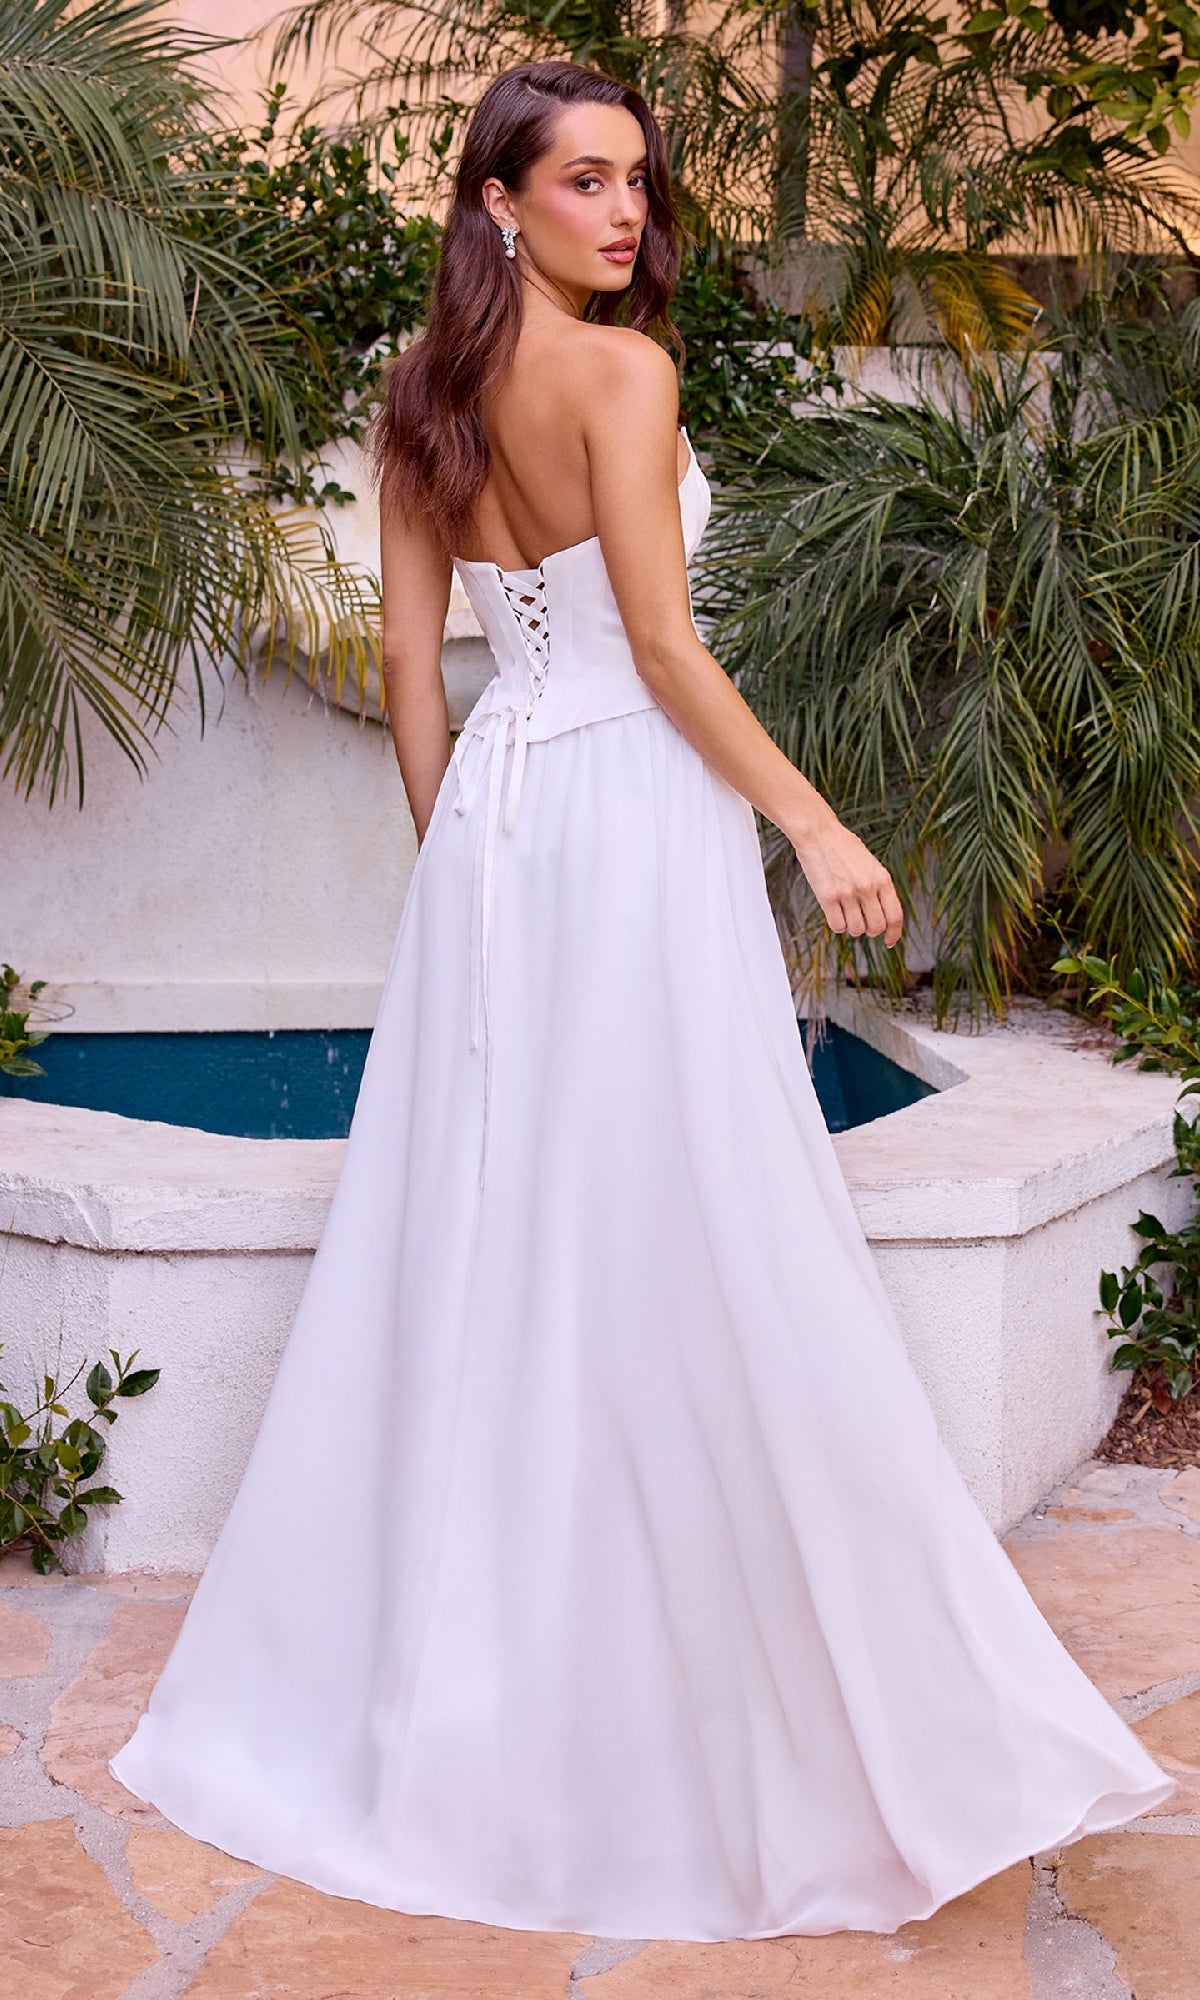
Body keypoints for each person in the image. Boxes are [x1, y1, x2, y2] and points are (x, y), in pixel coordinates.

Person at [109, 58, 1176, 1942]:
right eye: (585, 181)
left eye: (638, 183)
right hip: (632, 807)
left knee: (499, 1228)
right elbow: (666, 652)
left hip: (504, 829)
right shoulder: (625, 375)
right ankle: (683, 1671)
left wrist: (459, 868)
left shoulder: (426, 393)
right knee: (689, 1212)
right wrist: (816, 818)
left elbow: (418, 666)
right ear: (496, 200)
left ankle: (480, 1658)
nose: (628, 214)